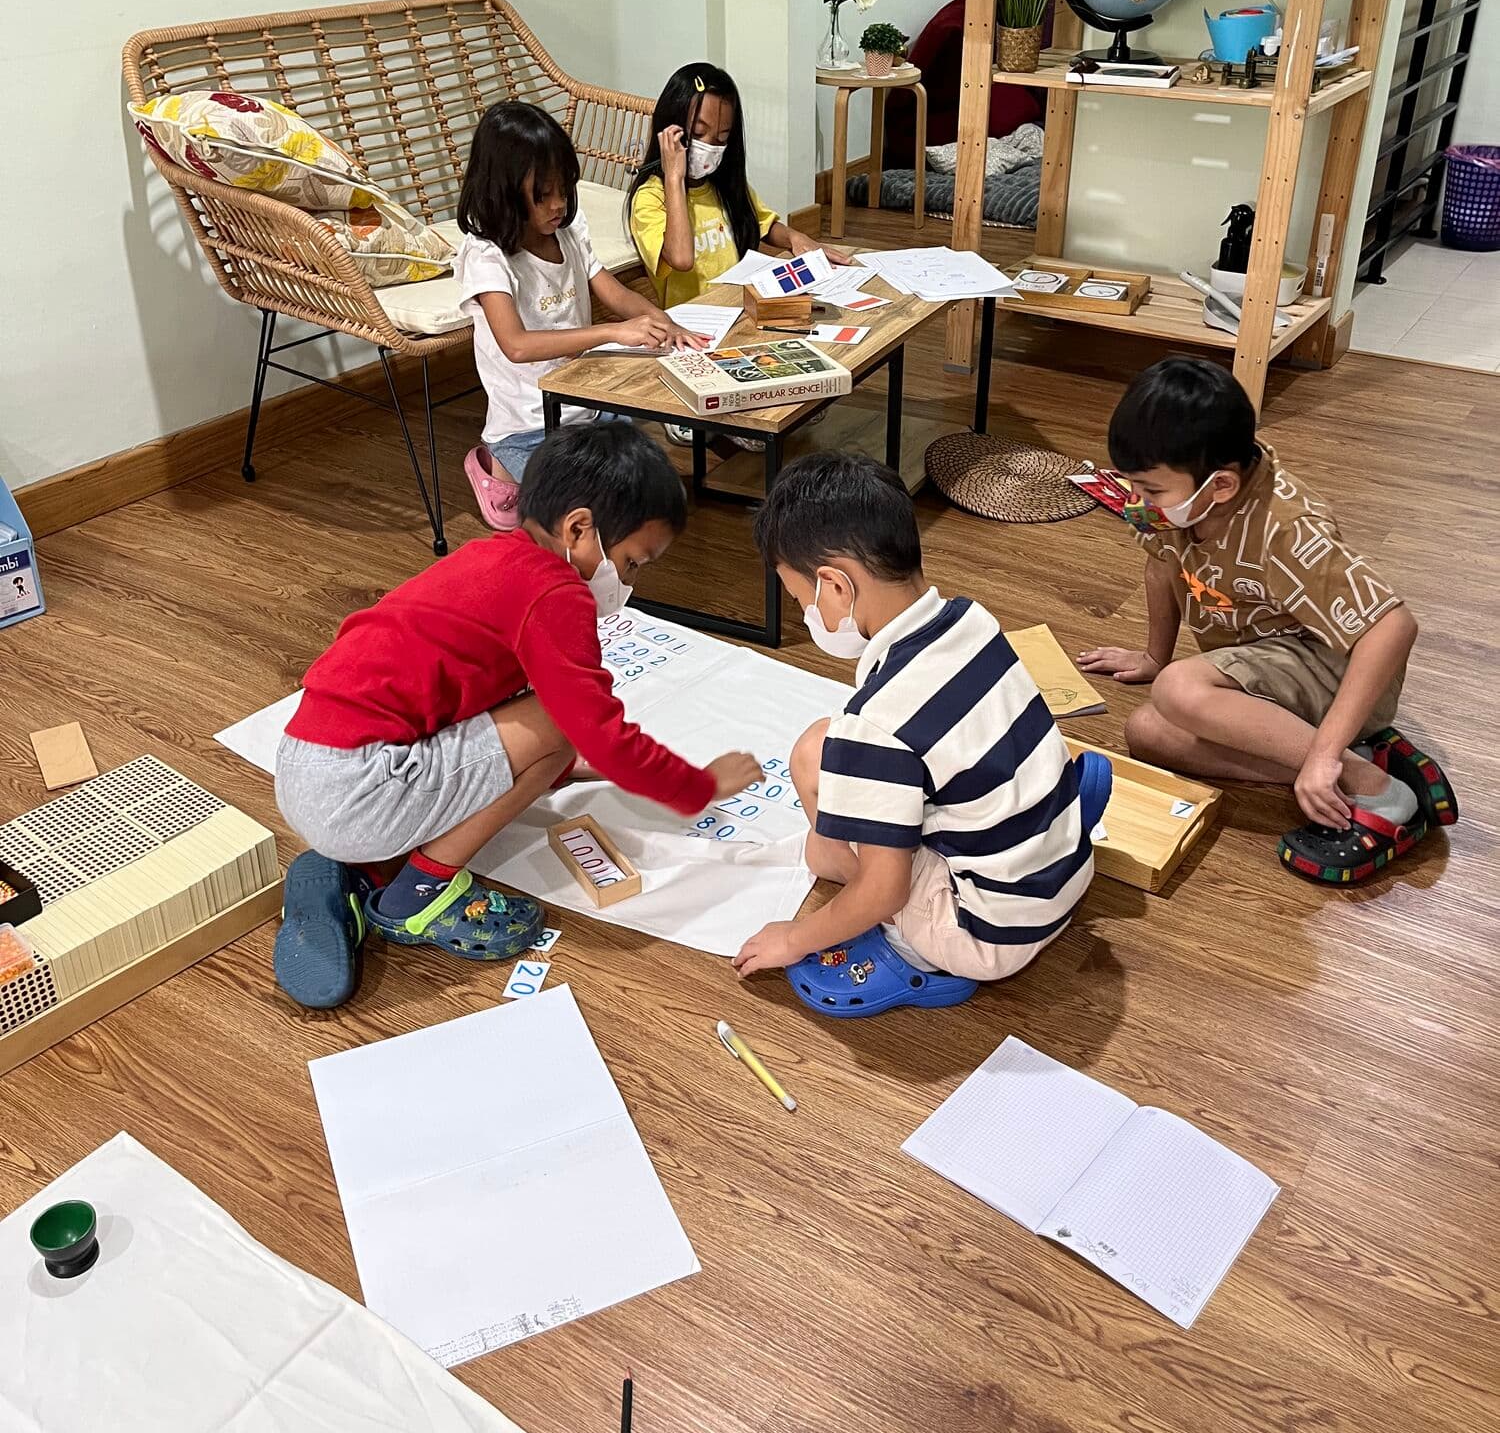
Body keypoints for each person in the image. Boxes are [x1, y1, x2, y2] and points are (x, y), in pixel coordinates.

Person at [273, 420, 761, 1008]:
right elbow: (593, 729)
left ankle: (367, 868)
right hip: (358, 788)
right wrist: (698, 785)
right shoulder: (556, 592)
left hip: (308, 762)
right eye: (633, 563)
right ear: (578, 528)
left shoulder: (492, 558)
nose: (630, 581)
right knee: (560, 721)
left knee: (547, 725)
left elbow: (484, 711)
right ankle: (417, 893)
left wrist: (571, 767)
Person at [731, 452, 1098, 1016]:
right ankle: (1047, 817)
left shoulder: (874, 721)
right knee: (822, 776)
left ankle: (915, 951)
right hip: (1066, 876)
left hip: (989, 935)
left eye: (801, 599)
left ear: (835, 586)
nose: (805, 612)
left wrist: (795, 938)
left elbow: (884, 891)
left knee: (820, 798)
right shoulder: (971, 619)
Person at [1079, 357, 1457, 883]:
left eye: (1151, 491)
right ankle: (1359, 763)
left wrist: (1323, 755)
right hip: (1269, 663)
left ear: (1221, 486)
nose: (1139, 502)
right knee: (1145, 732)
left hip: (1337, 668)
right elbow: (1160, 567)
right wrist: (1152, 655)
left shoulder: (1287, 527)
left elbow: (1393, 627)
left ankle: (1377, 791)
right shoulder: (1178, 504)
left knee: (1179, 690)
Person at [455, 101, 709, 531]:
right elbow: (516, 345)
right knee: (592, 515)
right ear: (504, 191)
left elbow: (614, 291)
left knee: (650, 494)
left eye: (564, 190)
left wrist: (666, 323)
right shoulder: (487, 256)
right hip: (528, 426)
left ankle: (535, 478)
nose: (558, 205)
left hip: (589, 409)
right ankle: (495, 465)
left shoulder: (567, 231)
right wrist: (612, 331)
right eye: (542, 195)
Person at [627, 62, 844, 310]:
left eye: (722, 137)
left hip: (739, 308)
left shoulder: (722, 185)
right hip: (693, 323)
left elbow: (762, 223)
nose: (710, 147)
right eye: (698, 134)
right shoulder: (650, 198)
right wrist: (674, 178)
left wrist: (796, 237)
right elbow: (681, 258)